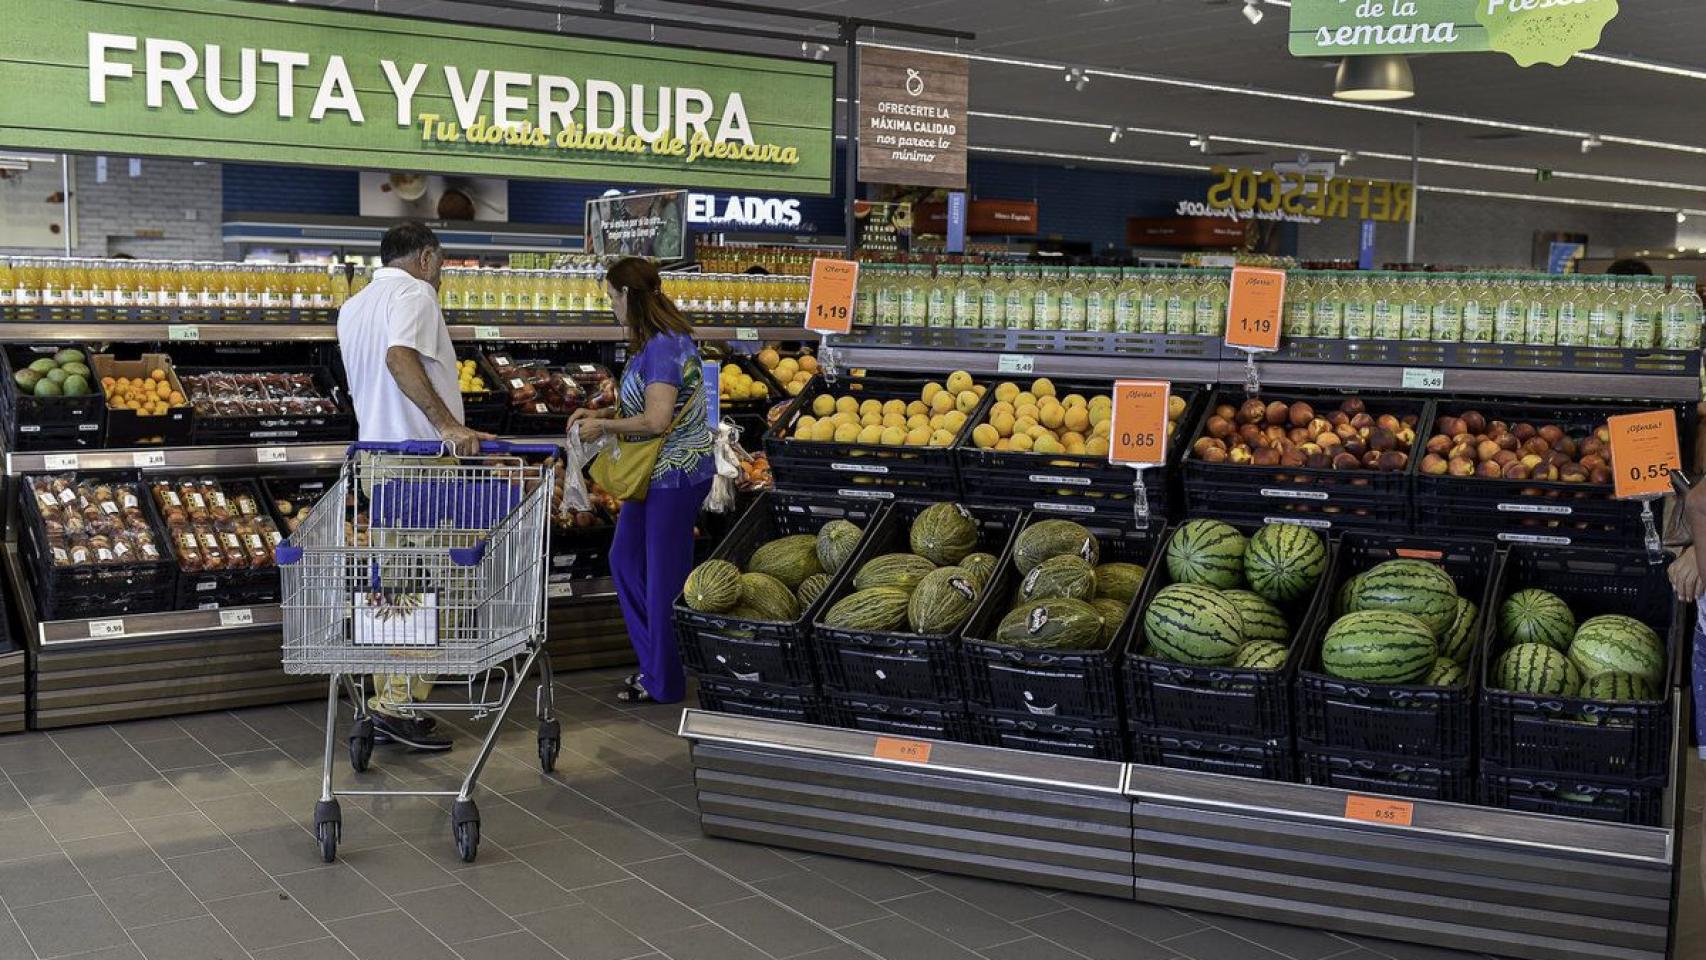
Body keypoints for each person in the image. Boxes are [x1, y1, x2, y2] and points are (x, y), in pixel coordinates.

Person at [336, 221, 492, 750]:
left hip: (379, 460)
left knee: (395, 587)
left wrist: (450, 422)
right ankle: (398, 703)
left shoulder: (353, 307)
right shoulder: (417, 293)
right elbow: (399, 358)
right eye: (442, 264)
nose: (442, 275)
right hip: (421, 463)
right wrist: (447, 426)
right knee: (445, 584)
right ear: (426, 257)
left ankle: (388, 699)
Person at [568, 257, 713, 703]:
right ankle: (655, 666)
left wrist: (603, 429)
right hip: (652, 475)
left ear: (628, 295)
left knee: (662, 576)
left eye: (611, 297)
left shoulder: (665, 346)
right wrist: (601, 414)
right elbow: (645, 408)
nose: (611, 307)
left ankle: (664, 681)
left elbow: (655, 420)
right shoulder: (651, 342)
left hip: (675, 475)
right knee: (627, 560)